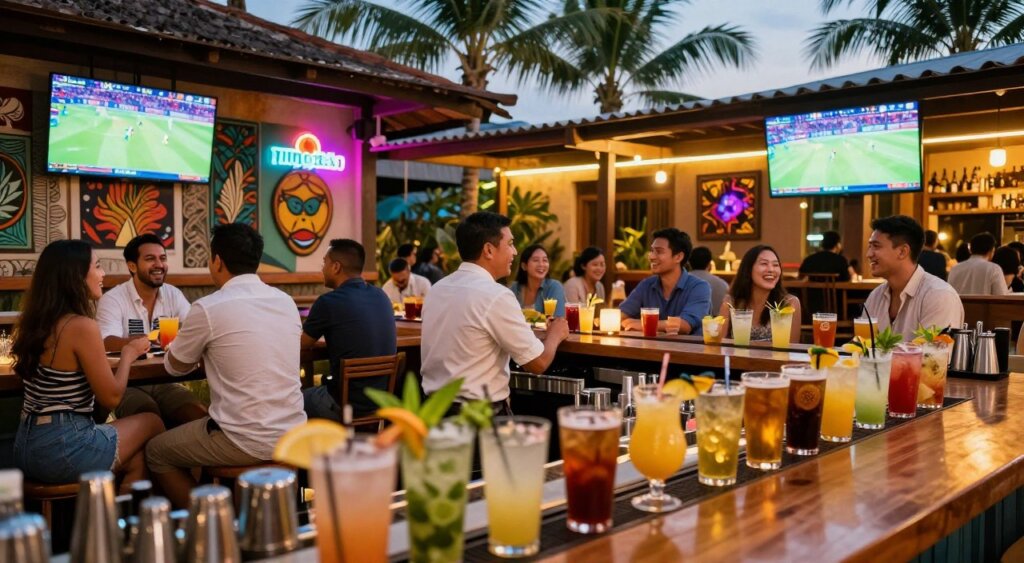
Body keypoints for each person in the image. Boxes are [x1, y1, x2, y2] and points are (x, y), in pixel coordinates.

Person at [146, 224, 306, 508]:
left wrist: (184, 347)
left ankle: (209, 524)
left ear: (217, 260)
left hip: (244, 440)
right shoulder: (285, 301)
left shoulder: (209, 307)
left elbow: (174, 368)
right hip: (293, 433)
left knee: (157, 451)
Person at [12, 240, 163, 490]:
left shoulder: (35, 322)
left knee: (136, 455)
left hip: (25, 446)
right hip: (63, 447)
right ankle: (124, 524)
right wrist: (128, 353)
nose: (103, 274)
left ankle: (112, 523)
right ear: (76, 276)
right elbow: (112, 397)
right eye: (98, 266)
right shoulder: (81, 326)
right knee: (152, 422)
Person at [420, 212, 569, 414]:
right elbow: (538, 363)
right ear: (489, 250)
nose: (515, 252)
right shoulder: (496, 295)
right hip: (479, 419)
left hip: (432, 414)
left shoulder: (437, 288)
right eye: (510, 244)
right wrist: (555, 334)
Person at [96, 234, 207, 427]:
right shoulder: (113, 298)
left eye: (162, 258)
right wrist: (140, 342)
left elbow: (194, 328)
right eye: (150, 259)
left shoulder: (173, 294)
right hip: (128, 383)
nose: (159, 264)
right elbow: (105, 341)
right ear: (132, 266)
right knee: (149, 417)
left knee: (198, 417)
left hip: (165, 380)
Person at [301, 239, 397, 421]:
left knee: (293, 402)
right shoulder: (381, 295)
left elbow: (302, 344)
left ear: (336, 267)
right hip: (382, 402)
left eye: (325, 263)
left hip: (344, 405)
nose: (322, 268)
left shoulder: (328, 302)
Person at [864, 215, 963, 340]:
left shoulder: (939, 295)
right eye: (870, 246)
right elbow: (863, 349)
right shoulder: (875, 296)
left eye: (876, 246)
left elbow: (933, 356)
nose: (868, 254)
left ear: (902, 252)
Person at [620, 228, 711, 335]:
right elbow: (622, 315)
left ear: (678, 257)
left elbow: (685, 325)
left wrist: (642, 324)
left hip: (686, 349)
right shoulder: (646, 285)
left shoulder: (699, 287)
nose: (651, 256)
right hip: (651, 349)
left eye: (659, 251)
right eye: (652, 251)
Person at [718, 245, 801, 343]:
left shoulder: (789, 304)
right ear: (748, 269)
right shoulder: (731, 303)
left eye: (775, 265)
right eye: (764, 263)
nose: (771, 269)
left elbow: (792, 350)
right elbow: (720, 347)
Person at [509, 244, 566, 317]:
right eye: (536, 260)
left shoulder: (554, 287)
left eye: (545, 260)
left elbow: (557, 320)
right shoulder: (514, 288)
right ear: (524, 266)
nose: (541, 264)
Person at [687, 246, 729, 315]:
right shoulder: (723, 285)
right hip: (716, 324)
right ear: (709, 264)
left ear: (689, 263)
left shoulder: (679, 281)